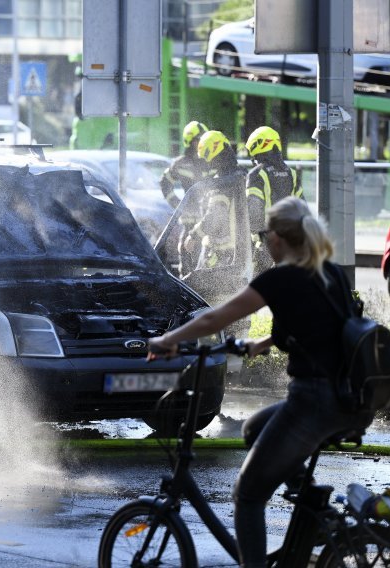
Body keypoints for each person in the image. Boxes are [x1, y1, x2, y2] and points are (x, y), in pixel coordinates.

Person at [147, 196, 374, 567]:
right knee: (254, 428)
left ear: (278, 239)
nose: (263, 240)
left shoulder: (281, 278)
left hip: (313, 402)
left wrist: (167, 340)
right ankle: (312, 505)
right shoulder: (327, 271)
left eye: (265, 232)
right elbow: (324, 327)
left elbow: (213, 319)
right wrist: (263, 343)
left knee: (248, 494)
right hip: (348, 399)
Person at [183, 130, 247, 274]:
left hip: (221, 255)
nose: (205, 163)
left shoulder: (221, 182)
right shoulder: (242, 174)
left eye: (206, 158)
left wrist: (193, 235)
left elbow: (215, 216)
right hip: (240, 253)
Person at [245, 126, 304, 274]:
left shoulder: (257, 174)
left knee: (262, 291)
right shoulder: (292, 173)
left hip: (267, 245)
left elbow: (254, 213)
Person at [159, 120, 210, 209]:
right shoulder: (180, 164)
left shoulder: (210, 162)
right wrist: (177, 204)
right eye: (199, 140)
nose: (203, 143)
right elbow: (165, 183)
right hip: (188, 219)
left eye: (204, 140)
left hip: (210, 218)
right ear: (190, 141)